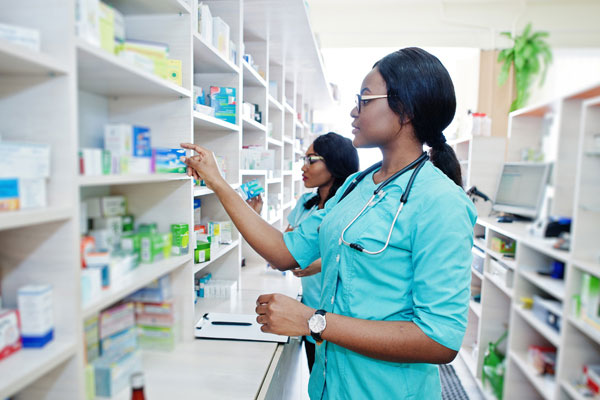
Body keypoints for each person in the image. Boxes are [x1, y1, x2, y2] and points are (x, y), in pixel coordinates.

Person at [181, 47, 477, 399]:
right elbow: (284, 252)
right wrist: (217, 182)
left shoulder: (440, 202)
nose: (354, 110)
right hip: (328, 386)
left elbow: (438, 339)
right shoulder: (355, 187)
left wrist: (313, 321)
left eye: (365, 99)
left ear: (406, 109)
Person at [286, 132, 358, 372]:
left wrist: (320, 263)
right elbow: (285, 247)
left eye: (311, 159)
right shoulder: (305, 204)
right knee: (317, 381)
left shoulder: (350, 209)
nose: (303, 167)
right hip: (309, 312)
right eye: (303, 160)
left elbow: (355, 258)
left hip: (341, 320)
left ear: (335, 162)